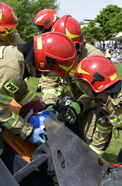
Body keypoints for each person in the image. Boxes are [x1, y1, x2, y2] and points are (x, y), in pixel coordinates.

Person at [40, 15, 105, 153]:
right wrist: (50, 102)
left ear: (79, 44)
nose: (65, 51)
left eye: (70, 47)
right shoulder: (58, 53)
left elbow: (99, 93)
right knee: (75, 135)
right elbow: (50, 79)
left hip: (97, 103)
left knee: (91, 139)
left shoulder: (93, 58)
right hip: (77, 98)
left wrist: (80, 104)